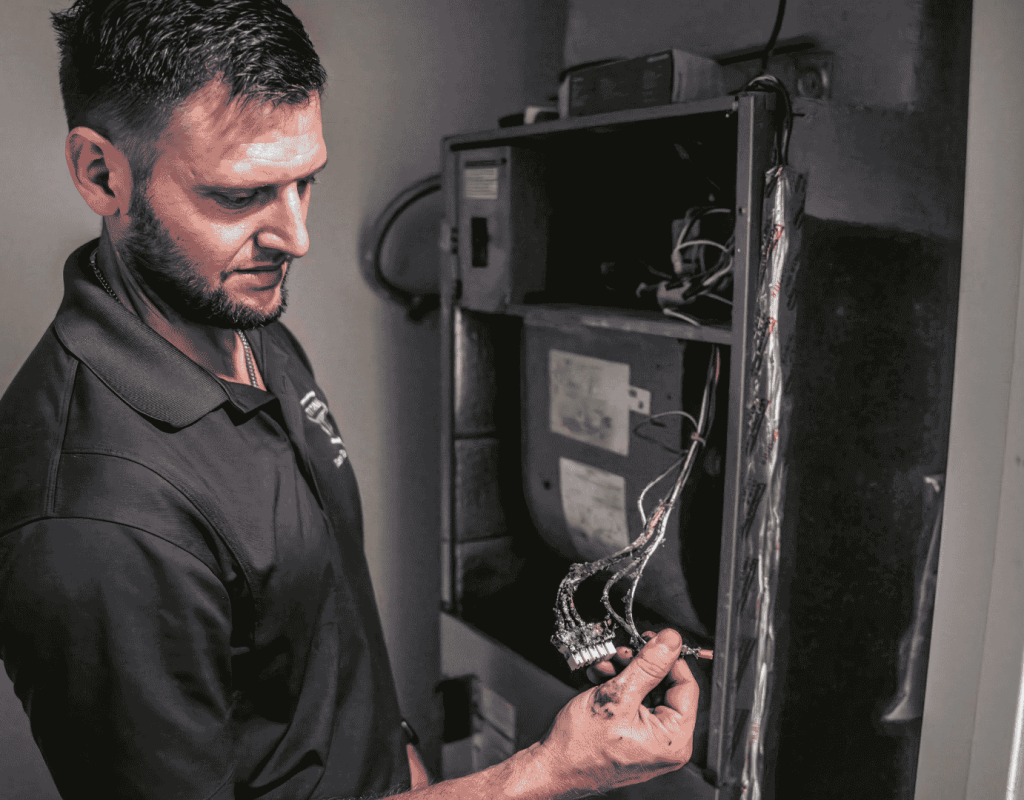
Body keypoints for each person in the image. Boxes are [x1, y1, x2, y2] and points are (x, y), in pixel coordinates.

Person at [0, 1, 699, 798]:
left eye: (307, 182)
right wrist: (551, 772)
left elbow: (318, 635)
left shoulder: (242, 322)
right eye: (239, 196)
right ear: (101, 173)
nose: (295, 237)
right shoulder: (92, 522)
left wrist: (403, 760)